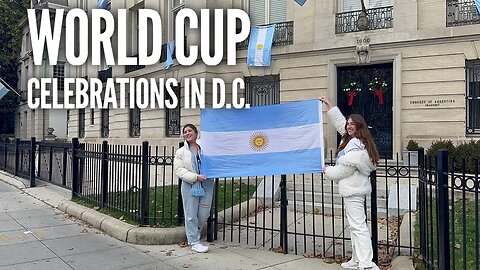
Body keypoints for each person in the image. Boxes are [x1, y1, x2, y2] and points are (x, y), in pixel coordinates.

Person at [319, 97, 380, 270]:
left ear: (360, 127)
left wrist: (326, 170)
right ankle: (357, 260)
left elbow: (344, 170)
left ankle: (367, 264)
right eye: (348, 123)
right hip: (354, 189)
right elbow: (340, 124)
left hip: (353, 190)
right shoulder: (353, 140)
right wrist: (330, 107)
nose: (348, 126)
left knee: (358, 227)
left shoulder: (354, 144)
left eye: (353, 124)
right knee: (355, 227)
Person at [173, 124, 214, 253]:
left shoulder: (206, 148)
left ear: (196, 133)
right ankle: (194, 241)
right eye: (185, 132)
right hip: (190, 185)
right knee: (191, 214)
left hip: (206, 184)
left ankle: (194, 234)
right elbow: (179, 170)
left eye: (190, 131)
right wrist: (196, 177)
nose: (187, 133)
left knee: (204, 213)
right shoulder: (181, 152)